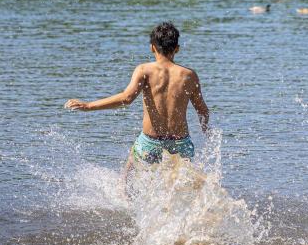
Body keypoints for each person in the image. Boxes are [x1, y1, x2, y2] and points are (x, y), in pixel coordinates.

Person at [65, 22, 210, 172]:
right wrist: (206, 131)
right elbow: (203, 110)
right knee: (180, 183)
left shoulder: (144, 70)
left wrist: (89, 106)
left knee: (127, 173)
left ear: (152, 47)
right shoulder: (189, 75)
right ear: (177, 49)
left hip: (151, 142)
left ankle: (123, 195)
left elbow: (126, 98)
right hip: (181, 143)